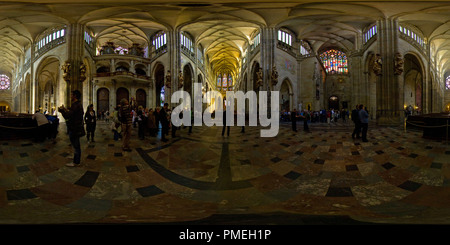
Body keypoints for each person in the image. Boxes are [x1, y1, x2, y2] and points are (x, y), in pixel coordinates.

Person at [58, 90, 84, 167]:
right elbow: (73, 113)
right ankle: (75, 156)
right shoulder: (77, 104)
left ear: (75, 96)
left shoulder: (76, 105)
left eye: (72, 95)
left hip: (74, 128)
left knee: (76, 145)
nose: (70, 96)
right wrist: (66, 110)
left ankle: (76, 162)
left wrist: (62, 111)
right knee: (75, 144)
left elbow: (69, 116)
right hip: (75, 127)